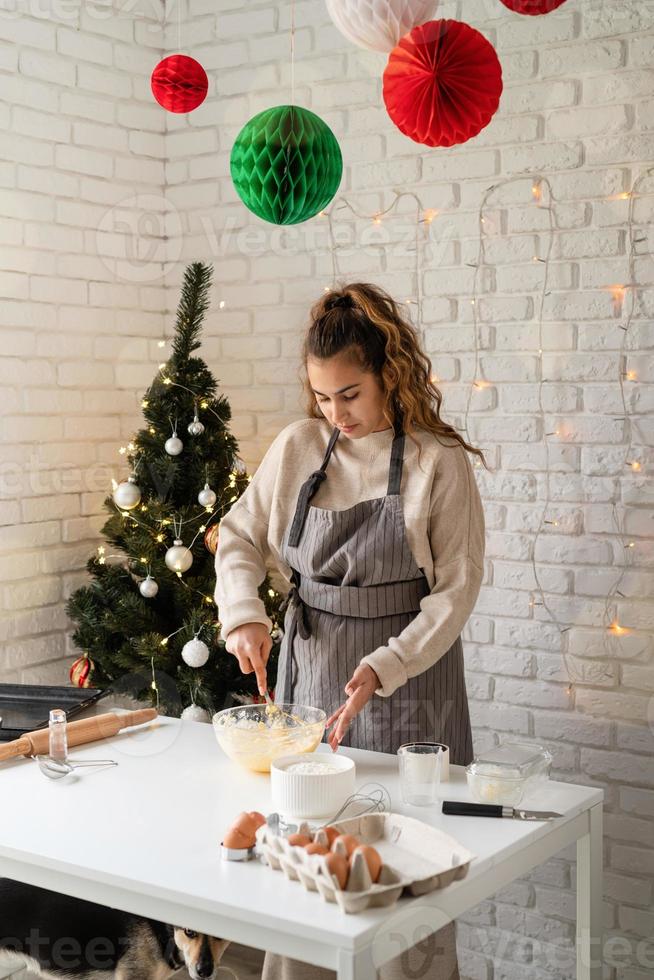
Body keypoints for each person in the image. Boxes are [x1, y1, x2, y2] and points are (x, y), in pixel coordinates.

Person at [214, 282, 487, 980]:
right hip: (310, 680)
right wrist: (244, 614)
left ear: (388, 376)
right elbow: (240, 537)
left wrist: (385, 665)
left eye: (352, 394)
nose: (336, 414)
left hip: (411, 684)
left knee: (403, 879)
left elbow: (454, 595)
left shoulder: (436, 462)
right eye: (322, 398)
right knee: (305, 864)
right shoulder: (300, 446)